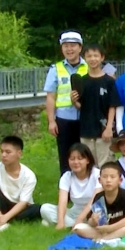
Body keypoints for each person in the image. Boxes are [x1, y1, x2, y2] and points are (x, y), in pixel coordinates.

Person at [0, 135, 40, 231]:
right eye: (2, 151)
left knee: (38, 209)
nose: (3, 155)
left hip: (18, 207)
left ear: (19, 153)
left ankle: (0, 221)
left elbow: (23, 202)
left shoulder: (29, 175)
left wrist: (5, 217)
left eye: (8, 152)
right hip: (0, 205)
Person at [44, 30, 87, 174]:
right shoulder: (55, 69)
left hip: (85, 118)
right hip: (64, 120)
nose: (69, 49)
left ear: (80, 47)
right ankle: (66, 184)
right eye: (65, 46)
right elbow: (51, 97)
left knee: (86, 154)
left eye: (73, 45)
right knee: (65, 155)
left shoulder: (89, 66)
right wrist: (51, 121)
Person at [73, 43, 119, 167]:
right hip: (86, 129)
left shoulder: (109, 81)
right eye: (89, 56)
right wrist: (74, 101)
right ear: (85, 58)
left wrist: (109, 128)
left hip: (104, 130)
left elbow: (112, 106)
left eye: (96, 55)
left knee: (106, 164)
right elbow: (81, 106)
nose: (92, 59)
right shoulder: (82, 81)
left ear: (102, 57)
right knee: (88, 164)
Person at [72, 162, 125, 242]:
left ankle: (104, 239)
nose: (108, 180)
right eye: (104, 177)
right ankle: (109, 238)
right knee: (78, 227)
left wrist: (111, 228)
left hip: (120, 228)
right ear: (99, 180)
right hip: (103, 230)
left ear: (120, 180)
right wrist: (93, 220)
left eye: (112, 177)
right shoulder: (98, 196)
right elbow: (90, 222)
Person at [40, 143, 100, 230]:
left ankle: (76, 225)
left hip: (93, 212)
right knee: (45, 208)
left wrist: (79, 220)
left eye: (80, 158)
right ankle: (76, 226)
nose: (76, 162)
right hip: (74, 212)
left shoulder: (97, 174)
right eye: (72, 159)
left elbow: (93, 201)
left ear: (87, 160)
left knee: (97, 219)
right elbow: (62, 201)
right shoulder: (67, 176)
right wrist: (60, 222)